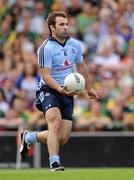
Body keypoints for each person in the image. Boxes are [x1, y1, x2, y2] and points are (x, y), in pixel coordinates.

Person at [19, 11, 99, 171]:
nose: (65, 27)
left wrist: (89, 88)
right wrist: (59, 89)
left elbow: (82, 66)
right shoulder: (45, 48)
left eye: (67, 24)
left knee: (62, 138)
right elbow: (46, 75)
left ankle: (28, 137)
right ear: (52, 27)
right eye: (61, 24)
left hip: (67, 92)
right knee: (54, 122)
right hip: (49, 89)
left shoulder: (75, 45)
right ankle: (54, 162)